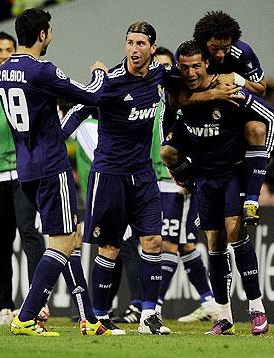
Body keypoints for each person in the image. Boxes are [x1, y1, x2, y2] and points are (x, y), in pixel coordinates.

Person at [0, 8, 112, 336]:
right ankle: (27, 316)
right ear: (43, 34)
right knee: (63, 241)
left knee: (64, 239)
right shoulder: (41, 70)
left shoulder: (1, 72)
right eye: (50, 31)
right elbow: (91, 95)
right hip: (52, 165)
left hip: (26, 166)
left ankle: (88, 317)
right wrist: (100, 73)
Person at [160, 40, 274, 335]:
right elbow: (170, 119)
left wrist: (260, 166)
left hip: (231, 173)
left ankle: (256, 309)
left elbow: (271, 118)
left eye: (196, 66)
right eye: (184, 66)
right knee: (214, 243)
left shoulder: (230, 91)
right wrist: (185, 178)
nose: (190, 72)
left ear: (206, 65)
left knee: (234, 233)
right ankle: (224, 316)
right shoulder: (178, 91)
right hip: (204, 176)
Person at [62, 21, 171, 335]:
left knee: (152, 241)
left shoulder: (160, 76)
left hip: (144, 175)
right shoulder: (109, 82)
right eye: (129, 42)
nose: (134, 49)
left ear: (152, 48)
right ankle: (98, 316)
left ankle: (149, 317)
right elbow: (78, 109)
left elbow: (188, 73)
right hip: (109, 174)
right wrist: (56, 143)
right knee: (108, 247)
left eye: (140, 44)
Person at [178, 10, 273, 226]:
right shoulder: (190, 55)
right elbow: (179, 97)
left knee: (257, 130)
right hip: (199, 115)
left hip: (235, 112)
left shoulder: (243, 52)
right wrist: (213, 94)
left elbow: (262, 89)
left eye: (225, 48)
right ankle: (196, 192)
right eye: (215, 48)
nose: (220, 54)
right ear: (203, 43)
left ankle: (251, 200)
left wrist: (238, 79)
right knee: (169, 151)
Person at [152, 46, 218, 322]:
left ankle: (153, 306)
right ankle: (209, 301)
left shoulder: (183, 99)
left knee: (169, 243)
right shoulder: (157, 99)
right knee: (183, 244)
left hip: (174, 181)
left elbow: (189, 135)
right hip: (157, 178)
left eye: (167, 66)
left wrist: (181, 171)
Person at [0, 31, 46, 326]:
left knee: (29, 233)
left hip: (24, 173)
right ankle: (5, 308)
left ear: (15, 52)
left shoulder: (26, 83)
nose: (2, 55)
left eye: (8, 49)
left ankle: (37, 302)